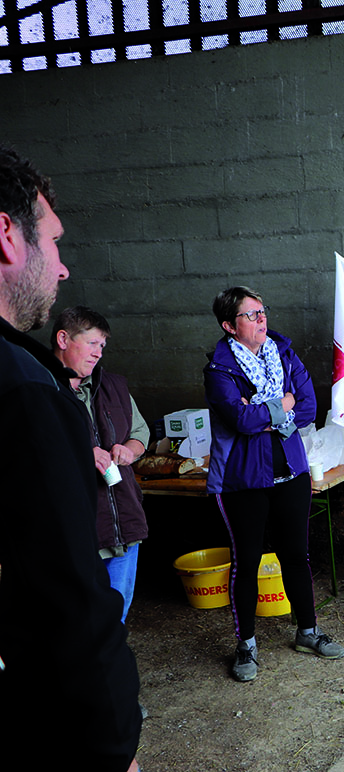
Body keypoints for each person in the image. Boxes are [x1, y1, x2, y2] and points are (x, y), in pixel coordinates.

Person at [0, 147, 142, 770]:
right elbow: (67, 602)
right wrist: (114, 747)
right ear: (6, 234)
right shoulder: (26, 390)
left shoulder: (93, 385)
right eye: (53, 242)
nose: (60, 269)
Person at [205, 286, 344, 682]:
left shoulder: (283, 353)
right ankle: (246, 646)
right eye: (251, 315)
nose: (261, 319)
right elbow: (241, 421)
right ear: (229, 326)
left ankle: (308, 631)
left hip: (291, 473)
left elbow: (307, 409)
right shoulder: (219, 370)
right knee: (246, 562)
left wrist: (268, 410)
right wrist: (280, 404)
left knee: (296, 555)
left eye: (262, 311)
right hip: (243, 480)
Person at [52, 306, 150, 624]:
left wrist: (130, 450)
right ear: (63, 338)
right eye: (92, 343)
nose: (98, 353)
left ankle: (106, 670)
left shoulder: (114, 386)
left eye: (102, 346)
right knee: (77, 617)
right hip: (76, 529)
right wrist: (82, 453)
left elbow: (140, 433)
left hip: (122, 521)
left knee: (115, 616)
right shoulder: (42, 389)